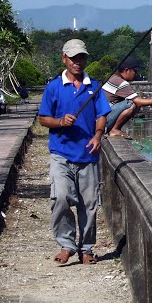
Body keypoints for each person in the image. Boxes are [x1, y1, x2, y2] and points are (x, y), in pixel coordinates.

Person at [37, 38, 111, 265]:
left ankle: (86, 248)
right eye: (73, 58)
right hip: (61, 153)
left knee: (89, 204)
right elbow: (43, 119)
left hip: (88, 154)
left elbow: (102, 115)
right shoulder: (54, 87)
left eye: (81, 58)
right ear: (64, 59)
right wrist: (60, 122)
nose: (77, 62)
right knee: (60, 197)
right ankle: (66, 245)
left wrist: (98, 136)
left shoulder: (94, 87)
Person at [102, 57, 152, 138]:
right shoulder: (120, 82)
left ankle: (115, 129)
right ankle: (114, 129)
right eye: (135, 71)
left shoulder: (113, 78)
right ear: (127, 70)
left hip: (102, 120)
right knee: (132, 104)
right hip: (103, 121)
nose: (136, 74)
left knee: (136, 105)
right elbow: (137, 101)